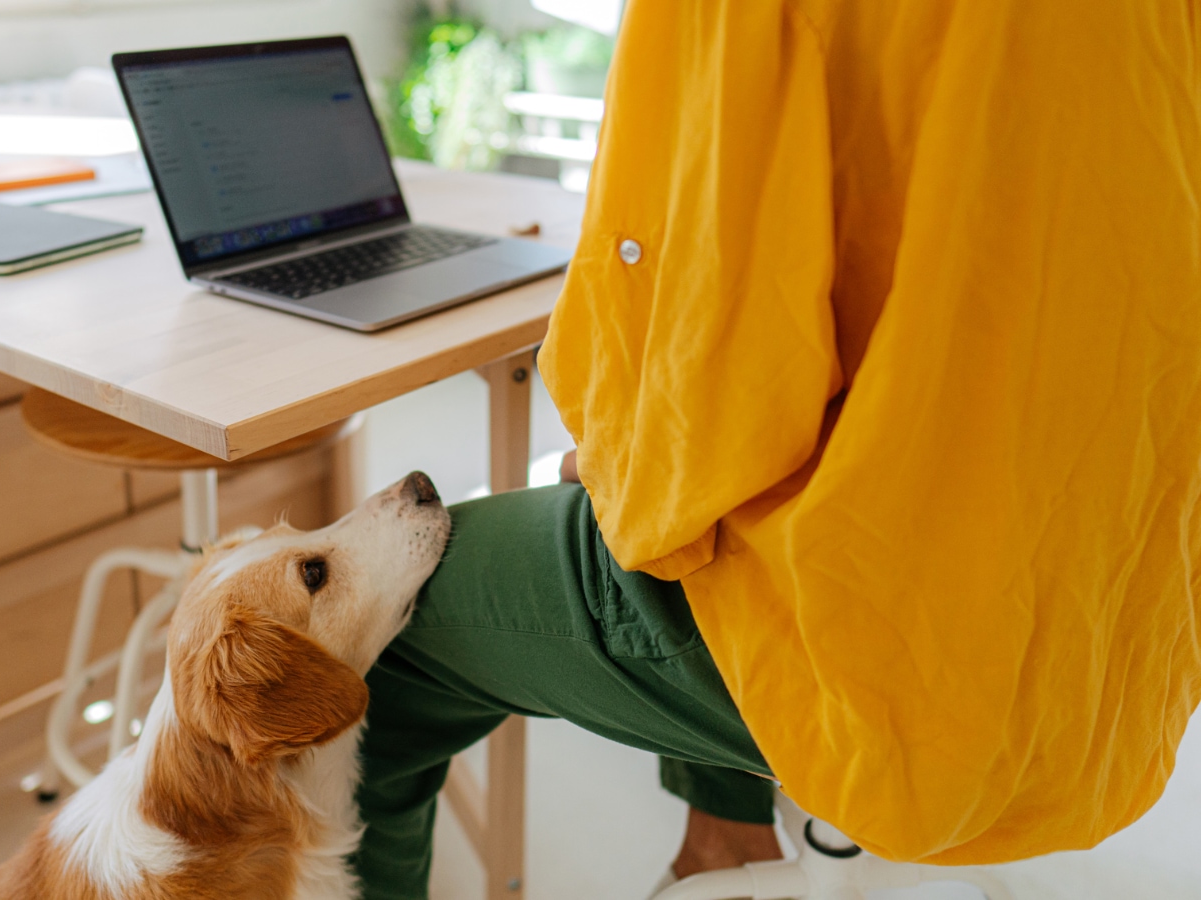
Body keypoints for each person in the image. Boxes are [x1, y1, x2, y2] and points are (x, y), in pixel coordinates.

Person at [351, 1, 1201, 898]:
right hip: (1120, 592)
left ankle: (729, 827)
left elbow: (708, 394)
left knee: (365, 646)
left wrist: (610, 456)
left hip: (903, 641)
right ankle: (727, 835)